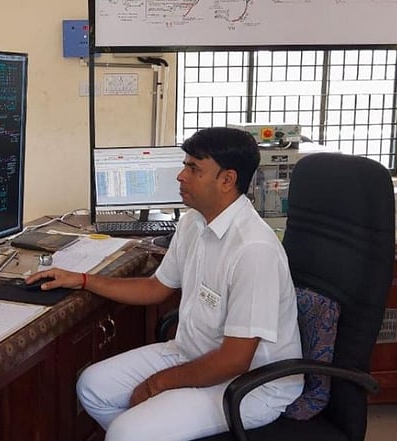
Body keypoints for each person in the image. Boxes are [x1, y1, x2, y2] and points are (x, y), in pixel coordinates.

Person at [25, 127, 303, 440]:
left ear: (227, 180)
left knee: (125, 433)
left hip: (250, 383)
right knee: (92, 388)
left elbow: (235, 359)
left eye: (194, 169)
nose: (181, 176)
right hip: (193, 353)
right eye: (185, 165)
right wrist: (83, 280)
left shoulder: (254, 250)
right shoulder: (194, 222)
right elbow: (156, 288)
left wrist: (158, 384)